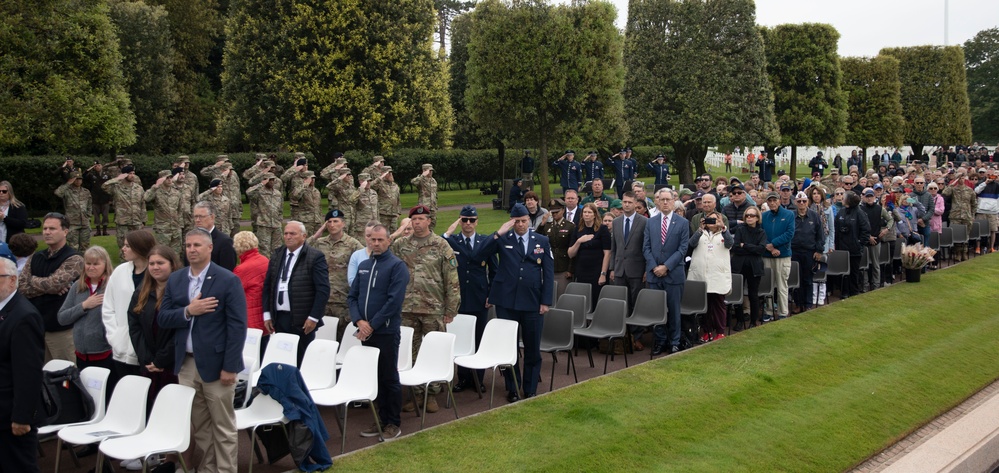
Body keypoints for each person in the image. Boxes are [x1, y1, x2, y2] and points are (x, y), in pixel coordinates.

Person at [159, 229, 246, 473]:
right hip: (186, 366)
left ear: (209, 248)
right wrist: (188, 310)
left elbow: (238, 327)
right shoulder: (176, 279)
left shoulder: (228, 279)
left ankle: (226, 470)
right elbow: (164, 318)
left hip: (218, 366)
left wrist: (230, 366)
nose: (192, 249)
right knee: (200, 427)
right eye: (187, 245)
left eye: (197, 245)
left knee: (223, 426)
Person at [473, 204, 554, 401]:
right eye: (516, 221)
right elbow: (478, 255)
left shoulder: (541, 240)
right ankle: (513, 387)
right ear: (511, 221)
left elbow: (549, 273)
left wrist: (545, 301)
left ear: (529, 220)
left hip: (532, 302)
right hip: (507, 302)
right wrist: (499, 232)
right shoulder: (503, 239)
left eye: (523, 221)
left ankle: (530, 388)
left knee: (532, 348)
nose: (520, 225)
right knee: (509, 348)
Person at [391, 206, 459, 413]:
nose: (417, 222)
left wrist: (451, 308)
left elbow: (452, 279)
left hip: (433, 308)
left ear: (429, 221)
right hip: (406, 308)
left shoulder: (441, 245)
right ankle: (416, 393)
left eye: (421, 218)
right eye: (414, 219)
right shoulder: (400, 245)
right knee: (411, 352)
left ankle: (431, 394)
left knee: (433, 352)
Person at [349, 224, 408, 440]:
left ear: (388, 241)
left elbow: (394, 302)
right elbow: (352, 297)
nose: (375, 243)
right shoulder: (364, 265)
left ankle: (393, 422)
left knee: (388, 377)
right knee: (374, 377)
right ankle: (381, 418)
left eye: (380, 240)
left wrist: (371, 325)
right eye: (372, 239)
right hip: (365, 332)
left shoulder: (397, 266)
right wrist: (358, 321)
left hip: (385, 332)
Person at [442, 206, 497, 393]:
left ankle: (478, 379)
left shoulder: (484, 241)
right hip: (459, 298)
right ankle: (463, 378)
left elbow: (494, 271)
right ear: (459, 221)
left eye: (471, 220)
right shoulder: (452, 241)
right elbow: (439, 247)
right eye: (464, 220)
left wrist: (491, 293)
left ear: (477, 222)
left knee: (478, 338)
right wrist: (447, 232)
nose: (468, 224)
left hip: (480, 297)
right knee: (460, 339)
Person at [0, 255, 45, 472]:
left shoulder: (23, 316)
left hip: (11, 417)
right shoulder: (4, 310)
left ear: (11, 280)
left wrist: (22, 417)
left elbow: (28, 374)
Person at [18, 213, 84, 362]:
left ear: (65, 231)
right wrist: (48, 286)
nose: (47, 232)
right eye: (45, 228)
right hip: (37, 327)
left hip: (62, 330)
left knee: (66, 376)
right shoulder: (36, 257)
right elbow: (21, 287)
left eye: (52, 228)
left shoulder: (74, 258)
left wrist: (32, 280)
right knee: (43, 377)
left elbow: (54, 285)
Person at [262, 221, 330, 365]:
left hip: (302, 320)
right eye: (286, 233)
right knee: (282, 360)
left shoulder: (314, 257)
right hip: (279, 318)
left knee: (300, 361)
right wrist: (267, 313)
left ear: (304, 236)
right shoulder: (277, 254)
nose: (288, 237)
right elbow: (268, 285)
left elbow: (323, 290)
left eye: (292, 233)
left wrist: (314, 317)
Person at [102, 229, 156, 394]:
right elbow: (108, 306)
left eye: (127, 246)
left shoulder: (156, 272)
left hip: (148, 349)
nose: (123, 249)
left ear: (140, 248)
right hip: (121, 348)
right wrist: (114, 337)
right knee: (126, 393)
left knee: (147, 394)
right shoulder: (120, 272)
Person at [127, 245, 180, 409]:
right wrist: (147, 358)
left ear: (172, 264)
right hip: (148, 364)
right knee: (150, 409)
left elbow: (181, 330)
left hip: (172, 365)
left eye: (160, 263)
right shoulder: (142, 291)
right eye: (151, 263)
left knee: (171, 409)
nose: (155, 267)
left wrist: (161, 360)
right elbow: (134, 325)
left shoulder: (181, 292)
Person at [643, 188, 689, 355]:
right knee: (657, 310)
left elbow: (683, 249)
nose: (664, 202)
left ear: (673, 200)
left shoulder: (683, 223)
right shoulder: (650, 222)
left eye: (667, 199)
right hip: (654, 274)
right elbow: (646, 248)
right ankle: (660, 341)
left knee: (674, 310)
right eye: (661, 199)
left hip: (673, 275)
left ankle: (675, 341)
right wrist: (655, 266)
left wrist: (666, 267)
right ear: (657, 201)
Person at [307, 209, 364, 341]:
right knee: (320, 339)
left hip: (342, 300)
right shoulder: (319, 243)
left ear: (343, 224)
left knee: (341, 339)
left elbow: (365, 263)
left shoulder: (353, 244)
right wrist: (315, 235)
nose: (332, 225)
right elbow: (300, 250)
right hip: (322, 300)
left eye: (336, 221)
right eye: (329, 222)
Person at [57, 246, 114, 373]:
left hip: (105, 354)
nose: (91, 267)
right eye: (88, 263)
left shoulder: (111, 287)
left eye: (96, 264)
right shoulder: (77, 287)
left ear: (105, 264)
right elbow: (62, 318)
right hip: (81, 355)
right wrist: (84, 305)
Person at [687, 211, 733, 341]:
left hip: (718, 275)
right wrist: (700, 229)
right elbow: (691, 244)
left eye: (715, 220)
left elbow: (730, 243)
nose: (712, 222)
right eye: (709, 220)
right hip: (701, 275)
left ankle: (720, 331)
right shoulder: (700, 234)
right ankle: (707, 331)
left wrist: (723, 227)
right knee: (705, 306)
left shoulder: (724, 234)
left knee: (718, 305)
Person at [610, 192, 648, 349]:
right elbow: (614, 247)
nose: (626, 205)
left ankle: (636, 337)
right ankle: (621, 337)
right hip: (619, 270)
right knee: (620, 305)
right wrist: (612, 268)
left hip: (637, 270)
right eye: (624, 202)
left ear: (635, 204)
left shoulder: (645, 222)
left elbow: (646, 247)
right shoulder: (616, 222)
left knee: (636, 305)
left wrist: (646, 269)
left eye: (629, 202)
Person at [568, 203, 611, 311]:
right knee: (582, 301)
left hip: (597, 271)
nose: (586, 215)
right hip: (581, 270)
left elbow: (607, 253)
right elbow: (570, 253)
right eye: (585, 212)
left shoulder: (602, 229)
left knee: (596, 300)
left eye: (589, 212)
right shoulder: (577, 229)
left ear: (595, 215)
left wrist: (603, 273)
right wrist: (579, 241)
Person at [731, 207, 769, 327]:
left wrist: (745, 245)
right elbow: (735, 247)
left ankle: (753, 321)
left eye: (752, 215)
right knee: (738, 293)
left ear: (757, 218)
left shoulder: (761, 232)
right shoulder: (740, 229)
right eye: (747, 215)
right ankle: (740, 320)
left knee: (753, 294)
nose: (749, 218)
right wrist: (751, 248)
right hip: (739, 265)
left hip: (755, 266)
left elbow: (761, 249)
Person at [233, 231, 268, 358]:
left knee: (250, 357)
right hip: (263, 317)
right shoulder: (265, 260)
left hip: (249, 319)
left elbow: (232, 294)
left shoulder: (242, 269)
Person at [760, 192, 795, 320]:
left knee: (781, 285)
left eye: (775, 200)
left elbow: (789, 233)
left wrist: (774, 244)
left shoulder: (789, 214)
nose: (772, 203)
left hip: (783, 255)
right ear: (767, 202)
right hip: (767, 254)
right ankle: (768, 311)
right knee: (768, 284)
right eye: (770, 201)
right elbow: (761, 234)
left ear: (779, 201)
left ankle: (782, 312)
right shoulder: (764, 216)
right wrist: (769, 247)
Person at [790, 192, 824, 314]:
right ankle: (798, 304)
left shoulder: (814, 216)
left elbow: (820, 235)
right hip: (794, 251)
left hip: (810, 252)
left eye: (804, 201)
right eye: (799, 201)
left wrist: (819, 250)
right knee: (796, 280)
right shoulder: (791, 216)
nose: (802, 203)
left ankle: (808, 304)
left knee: (808, 279)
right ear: (795, 202)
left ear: (807, 202)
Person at [102, 165, 146, 255]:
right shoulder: (116, 187)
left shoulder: (139, 188)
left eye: (133, 173)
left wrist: (143, 220)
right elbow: (104, 186)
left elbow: (142, 204)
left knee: (138, 245)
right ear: (124, 175)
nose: (132, 175)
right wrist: (118, 178)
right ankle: (124, 266)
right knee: (123, 246)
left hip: (136, 221)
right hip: (123, 222)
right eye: (130, 173)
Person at [835, 192, 872, 298]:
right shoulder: (841, 212)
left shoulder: (860, 213)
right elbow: (837, 228)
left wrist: (859, 243)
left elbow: (866, 230)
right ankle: (844, 291)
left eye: (844, 198)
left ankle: (854, 291)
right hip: (842, 248)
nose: (842, 199)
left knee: (853, 272)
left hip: (854, 249)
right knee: (843, 272)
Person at [539, 199, 574, 301]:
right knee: (549, 295)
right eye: (552, 212)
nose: (554, 215)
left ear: (563, 210)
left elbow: (571, 249)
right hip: (550, 265)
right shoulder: (547, 226)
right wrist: (542, 224)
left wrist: (570, 269)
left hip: (564, 266)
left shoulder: (570, 226)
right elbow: (536, 238)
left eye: (556, 212)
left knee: (562, 295)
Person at [145, 169, 184, 254]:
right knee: (162, 253)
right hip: (163, 229)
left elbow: (180, 209)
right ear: (161, 179)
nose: (170, 180)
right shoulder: (156, 191)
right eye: (167, 178)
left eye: (170, 177)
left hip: (176, 228)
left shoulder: (176, 192)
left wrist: (180, 225)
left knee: (176, 254)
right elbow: (146, 198)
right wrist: (155, 186)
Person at [191, 201, 238, 271]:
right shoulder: (191, 239)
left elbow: (228, 272)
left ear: (212, 217)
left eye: (201, 216)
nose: (197, 220)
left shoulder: (224, 242)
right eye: (195, 216)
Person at [942, 170, 977, 261]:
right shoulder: (953, 189)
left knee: (966, 235)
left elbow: (974, 204)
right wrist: (953, 182)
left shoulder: (969, 190)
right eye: (959, 178)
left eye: (962, 178)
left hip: (967, 216)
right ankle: (958, 253)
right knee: (957, 235)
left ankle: (964, 252)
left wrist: (972, 215)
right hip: (955, 215)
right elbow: (945, 193)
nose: (961, 180)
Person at [246, 172, 284, 255]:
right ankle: (265, 267)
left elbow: (280, 209)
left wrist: (280, 220)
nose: (272, 181)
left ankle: (276, 267)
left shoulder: (277, 193)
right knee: (264, 249)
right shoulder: (259, 192)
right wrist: (261, 184)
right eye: (270, 180)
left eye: (273, 180)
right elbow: (249, 193)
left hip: (276, 225)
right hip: (264, 224)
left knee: (277, 249)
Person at [54, 171, 92, 251]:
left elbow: (89, 205)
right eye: (76, 179)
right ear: (72, 180)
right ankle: (74, 262)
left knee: (85, 246)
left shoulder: (86, 192)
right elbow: (58, 193)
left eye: (80, 179)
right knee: (73, 247)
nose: (78, 181)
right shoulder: (67, 191)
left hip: (85, 223)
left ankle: (84, 262)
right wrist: (68, 183)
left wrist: (88, 216)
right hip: (72, 223)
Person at [84, 161, 112, 236]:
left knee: (105, 215)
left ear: (101, 166)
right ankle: (98, 231)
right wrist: (89, 169)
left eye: (98, 165)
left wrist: (110, 198)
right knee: (96, 216)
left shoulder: (107, 175)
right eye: (95, 166)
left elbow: (111, 187)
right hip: (95, 198)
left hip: (105, 198)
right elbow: (83, 176)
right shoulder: (91, 175)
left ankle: (105, 230)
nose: (97, 167)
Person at [974, 169, 999, 253]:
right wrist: (985, 183)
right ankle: (977, 247)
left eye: (992, 175)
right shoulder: (981, 183)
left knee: (993, 230)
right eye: (989, 175)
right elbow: (976, 191)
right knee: (979, 230)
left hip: (993, 211)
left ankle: (991, 247)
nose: (991, 177)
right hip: (981, 211)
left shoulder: (997, 185)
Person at [371, 166, 401, 233]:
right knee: (383, 233)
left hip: (394, 214)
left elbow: (398, 199)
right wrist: (380, 178)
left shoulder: (395, 185)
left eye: (391, 173)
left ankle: (393, 244)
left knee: (394, 233)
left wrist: (398, 212)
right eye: (388, 173)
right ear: (383, 174)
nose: (390, 174)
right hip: (383, 214)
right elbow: (371, 186)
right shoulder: (379, 184)